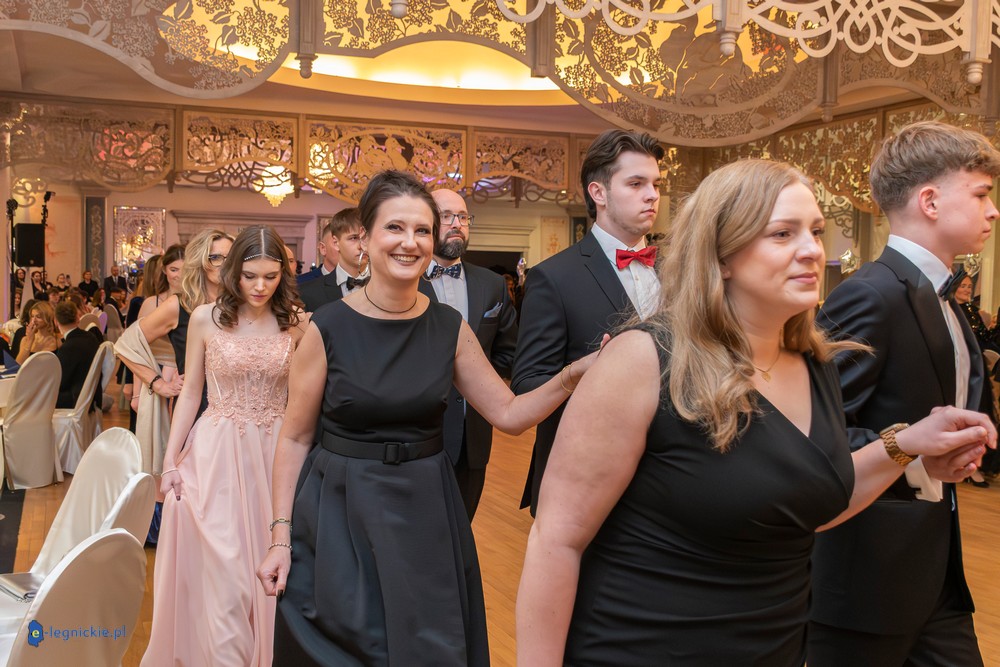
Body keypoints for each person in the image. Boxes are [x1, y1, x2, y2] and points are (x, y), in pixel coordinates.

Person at [515, 159, 996, 666]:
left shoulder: (812, 364)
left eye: (815, 231)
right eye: (783, 234)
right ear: (722, 256)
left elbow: (805, 504)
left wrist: (905, 445)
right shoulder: (644, 359)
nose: (812, 250)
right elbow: (557, 540)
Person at [256, 170, 603, 666]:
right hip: (339, 510)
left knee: (429, 648)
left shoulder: (448, 327)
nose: (410, 242)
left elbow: (508, 413)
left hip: (424, 513)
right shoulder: (328, 327)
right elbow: (294, 439)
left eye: (422, 230)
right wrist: (280, 538)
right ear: (365, 239)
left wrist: (572, 375)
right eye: (395, 228)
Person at [809, 121, 1000, 667]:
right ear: (930, 201)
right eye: (981, 194)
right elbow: (819, 436)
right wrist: (916, 456)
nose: (993, 211)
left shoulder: (945, 299)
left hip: (936, 574)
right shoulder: (870, 294)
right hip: (866, 582)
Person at [142, 226, 307, 666]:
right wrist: (170, 459)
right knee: (227, 571)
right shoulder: (205, 318)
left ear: (283, 275)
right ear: (234, 272)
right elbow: (191, 393)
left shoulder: (296, 323)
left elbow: (305, 399)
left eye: (270, 276)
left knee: (269, 566)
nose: (259, 286)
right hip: (216, 454)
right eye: (250, 276)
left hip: (273, 454)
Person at [513, 128, 664, 515]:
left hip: (669, 475)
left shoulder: (678, 271)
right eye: (636, 184)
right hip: (586, 474)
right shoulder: (553, 277)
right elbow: (528, 385)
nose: (652, 195)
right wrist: (585, 371)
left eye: (656, 184)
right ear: (599, 193)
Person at [419, 187, 518, 519]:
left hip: (471, 437)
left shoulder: (491, 285)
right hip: (417, 432)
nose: (457, 224)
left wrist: (480, 385)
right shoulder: (405, 282)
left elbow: (508, 352)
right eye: (447, 216)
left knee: (463, 531)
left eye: (463, 217)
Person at [116, 230, 233, 475]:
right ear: (200, 261)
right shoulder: (179, 305)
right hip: (196, 408)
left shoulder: (242, 305)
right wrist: (157, 383)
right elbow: (126, 344)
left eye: (230, 256)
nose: (225, 264)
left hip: (237, 412)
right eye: (215, 257)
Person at [298, 208, 366, 312]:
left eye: (366, 237)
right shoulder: (307, 292)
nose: (362, 245)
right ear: (336, 243)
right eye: (353, 238)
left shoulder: (390, 288)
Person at [53, 301, 101, 410]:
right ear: (77, 318)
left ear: (56, 321)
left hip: (76, 399)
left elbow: (61, 382)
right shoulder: (90, 337)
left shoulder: (68, 347)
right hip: (92, 394)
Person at [297, 215, 342, 286]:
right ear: (323, 248)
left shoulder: (360, 282)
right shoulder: (301, 283)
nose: (345, 249)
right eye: (336, 242)